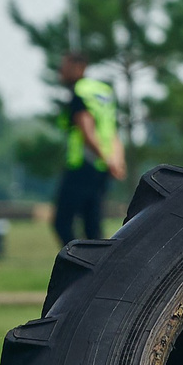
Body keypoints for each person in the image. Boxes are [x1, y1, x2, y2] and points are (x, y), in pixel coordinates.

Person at [52, 51, 126, 245]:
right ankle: (99, 270)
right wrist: (117, 160)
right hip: (101, 170)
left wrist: (106, 159)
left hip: (82, 166)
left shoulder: (80, 93)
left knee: (62, 223)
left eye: (65, 66)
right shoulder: (103, 92)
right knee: (93, 227)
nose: (60, 71)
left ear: (79, 68)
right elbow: (112, 131)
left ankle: (78, 266)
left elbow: (87, 132)